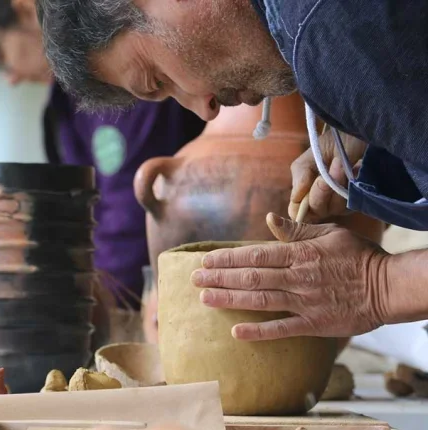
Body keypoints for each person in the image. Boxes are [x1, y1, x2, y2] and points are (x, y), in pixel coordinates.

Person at [36, 0, 428, 342]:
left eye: (158, 78)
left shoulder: (326, 28)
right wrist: (378, 139)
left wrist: (378, 286)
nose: (203, 109)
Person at [0, 0, 205, 317]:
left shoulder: (124, 72)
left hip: (168, 293)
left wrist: (91, 304)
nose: (10, 77)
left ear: (24, 8)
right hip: (108, 296)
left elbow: (133, 206)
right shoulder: (61, 109)